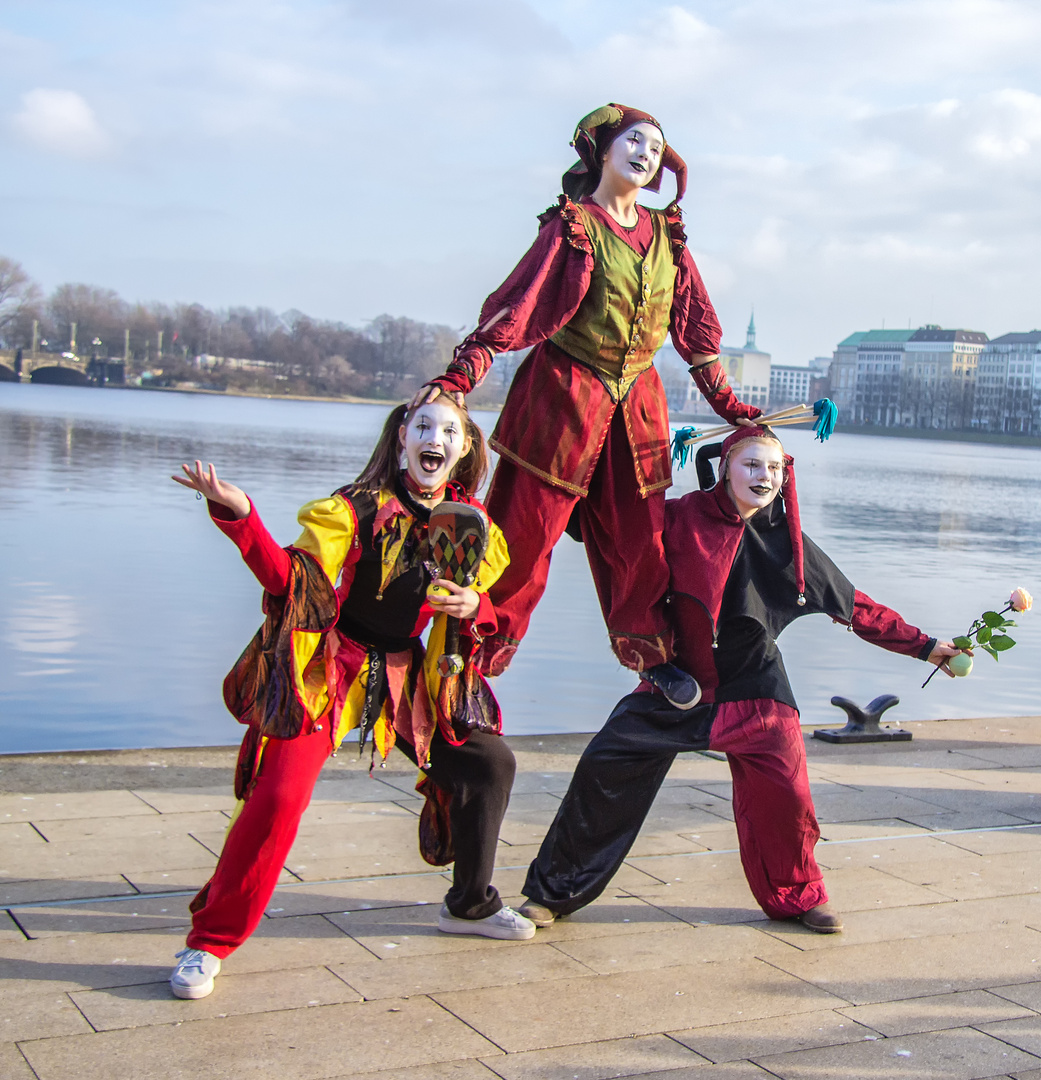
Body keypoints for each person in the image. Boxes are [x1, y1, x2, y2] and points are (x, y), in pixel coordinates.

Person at [519, 425, 968, 933]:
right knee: (604, 765)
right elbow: (606, 524)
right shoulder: (680, 516)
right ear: (726, 465)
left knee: (788, 795)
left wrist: (927, 647)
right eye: (753, 464)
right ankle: (552, 893)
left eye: (774, 468)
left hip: (757, 691)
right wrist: (586, 468)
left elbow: (854, 607)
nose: (764, 476)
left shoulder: (790, 541)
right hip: (676, 686)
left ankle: (799, 897)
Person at [166, 393, 534, 1001]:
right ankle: (208, 942)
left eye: (448, 430)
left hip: (411, 673)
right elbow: (293, 581)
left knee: (488, 762)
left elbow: (482, 607)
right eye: (421, 426)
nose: (433, 438)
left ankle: (470, 904)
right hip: (333, 666)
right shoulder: (356, 509)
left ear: (464, 449)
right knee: (279, 795)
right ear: (401, 442)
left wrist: (476, 606)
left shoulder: (473, 527)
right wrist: (241, 516)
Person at [414, 103, 761, 707]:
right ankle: (472, 656)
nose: (645, 153)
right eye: (634, 140)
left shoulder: (668, 239)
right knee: (522, 541)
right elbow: (515, 309)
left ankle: (651, 660)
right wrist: (459, 377)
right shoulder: (573, 225)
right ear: (602, 149)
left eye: (655, 147)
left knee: (641, 544)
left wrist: (734, 410)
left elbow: (697, 336)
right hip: (562, 400)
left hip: (640, 410)